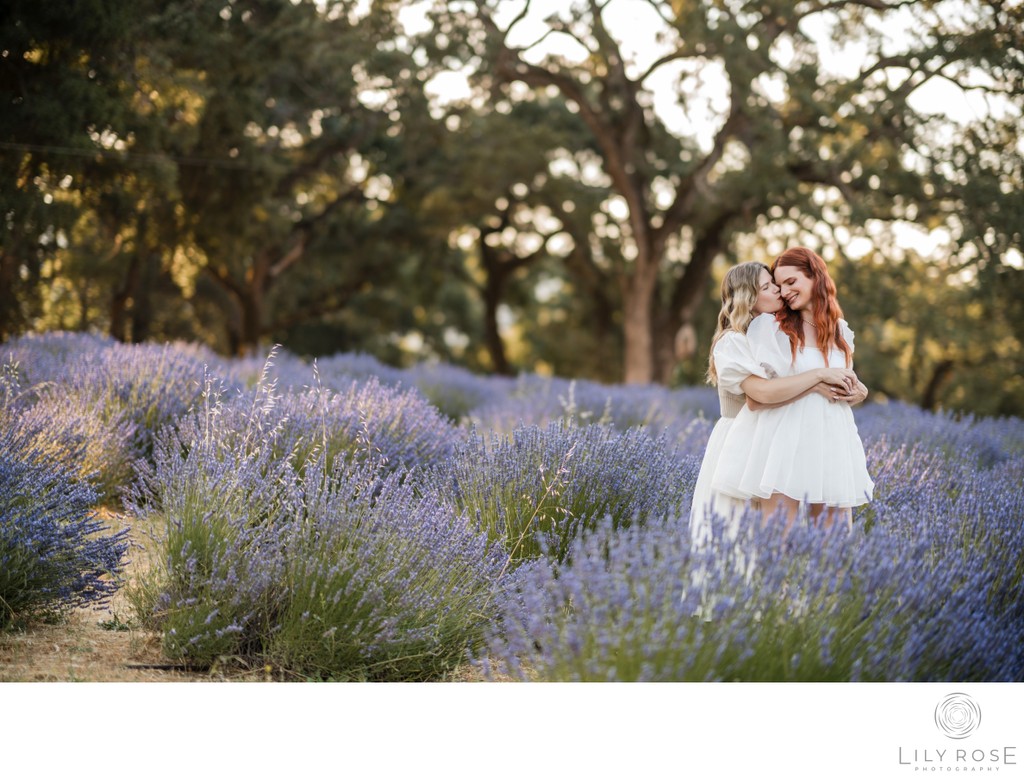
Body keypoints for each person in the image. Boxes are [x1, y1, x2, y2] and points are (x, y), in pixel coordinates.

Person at [689, 260, 866, 546]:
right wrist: (817, 380)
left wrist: (853, 388)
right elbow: (761, 399)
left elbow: (796, 382)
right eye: (769, 286)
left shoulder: (775, 333)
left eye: (779, 284)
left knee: (763, 541)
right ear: (748, 297)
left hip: (772, 437)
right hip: (743, 441)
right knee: (735, 539)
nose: (780, 292)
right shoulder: (733, 341)